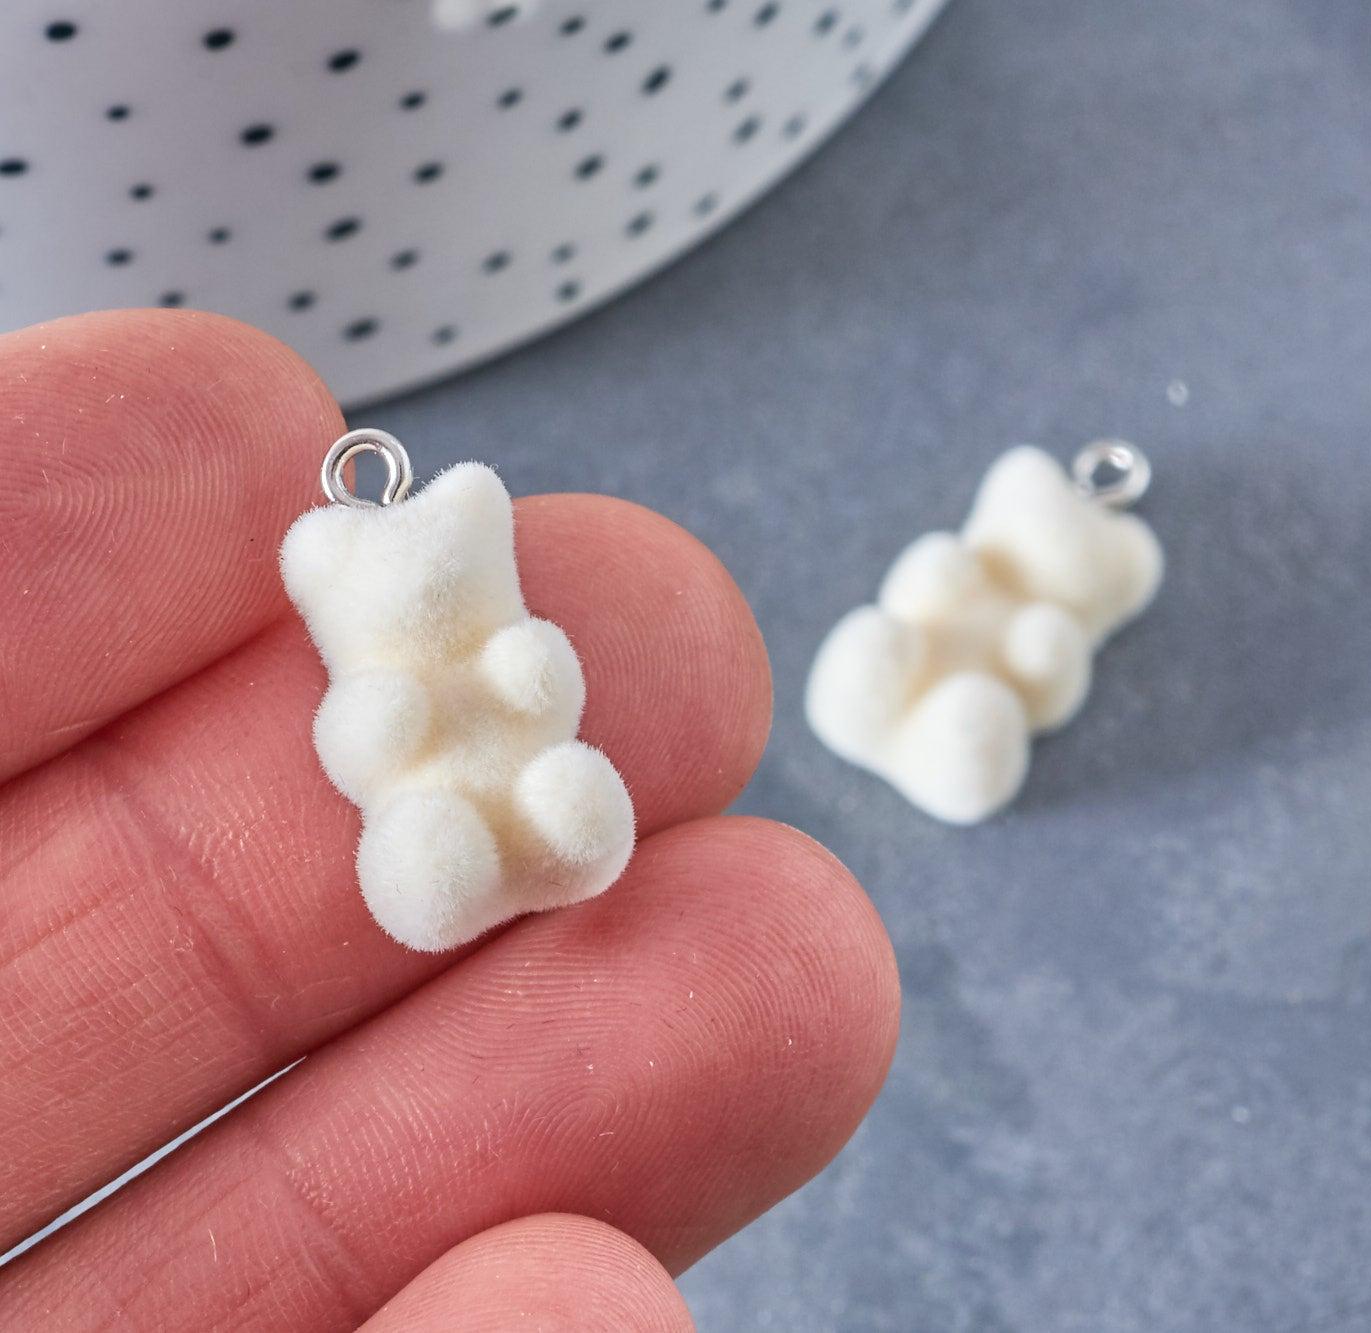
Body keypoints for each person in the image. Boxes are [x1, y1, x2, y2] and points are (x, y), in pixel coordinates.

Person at [0, 310, 901, 1330]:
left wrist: (524, 668)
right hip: (432, 797)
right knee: (430, 839)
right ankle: (460, 867)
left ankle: (563, 828)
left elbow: (548, 681)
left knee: (560, 787)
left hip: (523, 768)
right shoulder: (368, 675)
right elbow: (355, 740)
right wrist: (392, 715)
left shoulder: (495, 631)